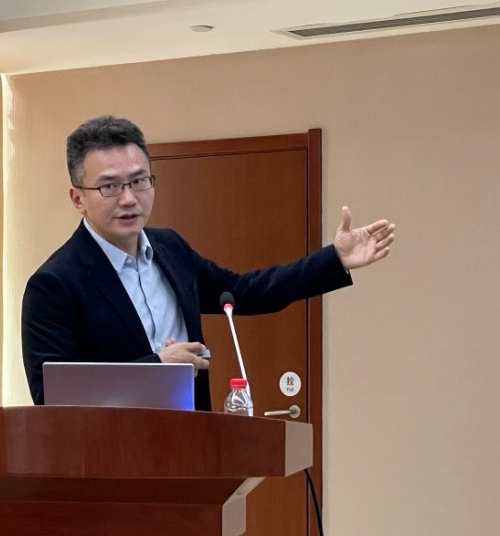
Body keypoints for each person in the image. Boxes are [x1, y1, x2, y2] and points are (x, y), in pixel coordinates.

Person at [21, 116, 395, 410]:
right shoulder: (55, 283)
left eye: (139, 181)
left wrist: (334, 259)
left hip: (192, 448)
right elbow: (53, 396)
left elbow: (246, 291)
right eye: (110, 186)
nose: (129, 198)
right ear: (78, 199)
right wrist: (156, 368)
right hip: (111, 464)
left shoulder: (170, 249)